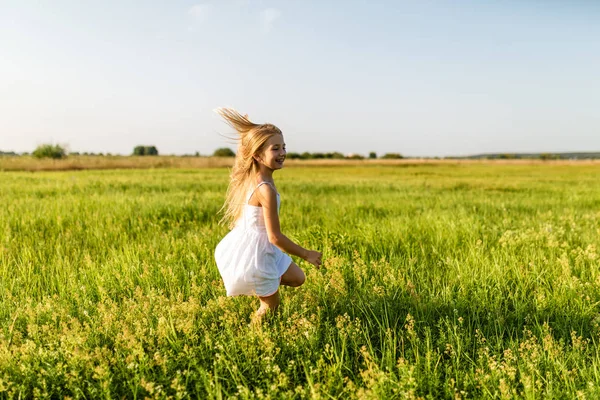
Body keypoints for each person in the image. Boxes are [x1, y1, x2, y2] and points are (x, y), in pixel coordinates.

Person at [214, 108, 322, 321]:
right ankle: (252, 337)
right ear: (257, 155)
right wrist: (306, 254)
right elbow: (275, 237)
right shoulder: (265, 190)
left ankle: (263, 282)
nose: (282, 152)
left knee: (297, 278)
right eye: (275, 148)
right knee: (270, 307)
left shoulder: (252, 177)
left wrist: (245, 137)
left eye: (283, 147)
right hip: (257, 254)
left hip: (261, 247)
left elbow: (242, 157)